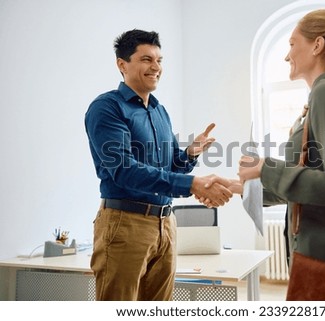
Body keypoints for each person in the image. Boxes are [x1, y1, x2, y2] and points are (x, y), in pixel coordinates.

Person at [235, 9, 325, 298]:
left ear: (317, 45)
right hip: (324, 253)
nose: (287, 56)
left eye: (291, 44)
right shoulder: (321, 97)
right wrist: (246, 187)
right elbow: (313, 183)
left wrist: (266, 168)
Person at [84, 29, 232, 301]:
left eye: (159, 60)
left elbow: (170, 168)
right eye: (146, 59)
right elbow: (124, 171)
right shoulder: (107, 108)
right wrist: (193, 184)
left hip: (165, 223)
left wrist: (189, 154)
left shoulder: (159, 111)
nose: (156, 67)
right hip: (125, 223)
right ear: (122, 64)